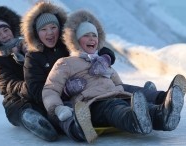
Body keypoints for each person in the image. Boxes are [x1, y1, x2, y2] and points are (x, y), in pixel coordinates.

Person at [42, 9, 186, 143]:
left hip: (114, 95)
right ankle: (135, 121)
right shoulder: (66, 63)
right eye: (86, 35)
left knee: (132, 103)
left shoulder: (101, 61)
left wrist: (125, 94)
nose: (91, 38)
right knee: (115, 108)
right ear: (75, 40)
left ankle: (163, 116)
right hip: (93, 104)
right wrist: (58, 108)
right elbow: (50, 90)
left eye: (94, 35)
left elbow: (118, 83)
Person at [22, 1, 116, 134]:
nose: (49, 33)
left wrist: (106, 58)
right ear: (36, 34)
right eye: (43, 29)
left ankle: (148, 104)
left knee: (110, 89)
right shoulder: (33, 58)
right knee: (65, 111)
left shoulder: (67, 44)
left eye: (53, 27)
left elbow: (99, 47)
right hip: (56, 101)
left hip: (86, 92)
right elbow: (36, 89)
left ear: (59, 28)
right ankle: (77, 128)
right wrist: (65, 91)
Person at [0, 6, 58, 141]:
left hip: (42, 91)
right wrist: (31, 86)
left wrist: (28, 53)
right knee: (16, 106)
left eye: (5, 30)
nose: (4, 35)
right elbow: (7, 85)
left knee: (51, 103)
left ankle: (55, 119)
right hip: (19, 98)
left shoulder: (32, 47)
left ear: (12, 29)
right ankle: (31, 119)